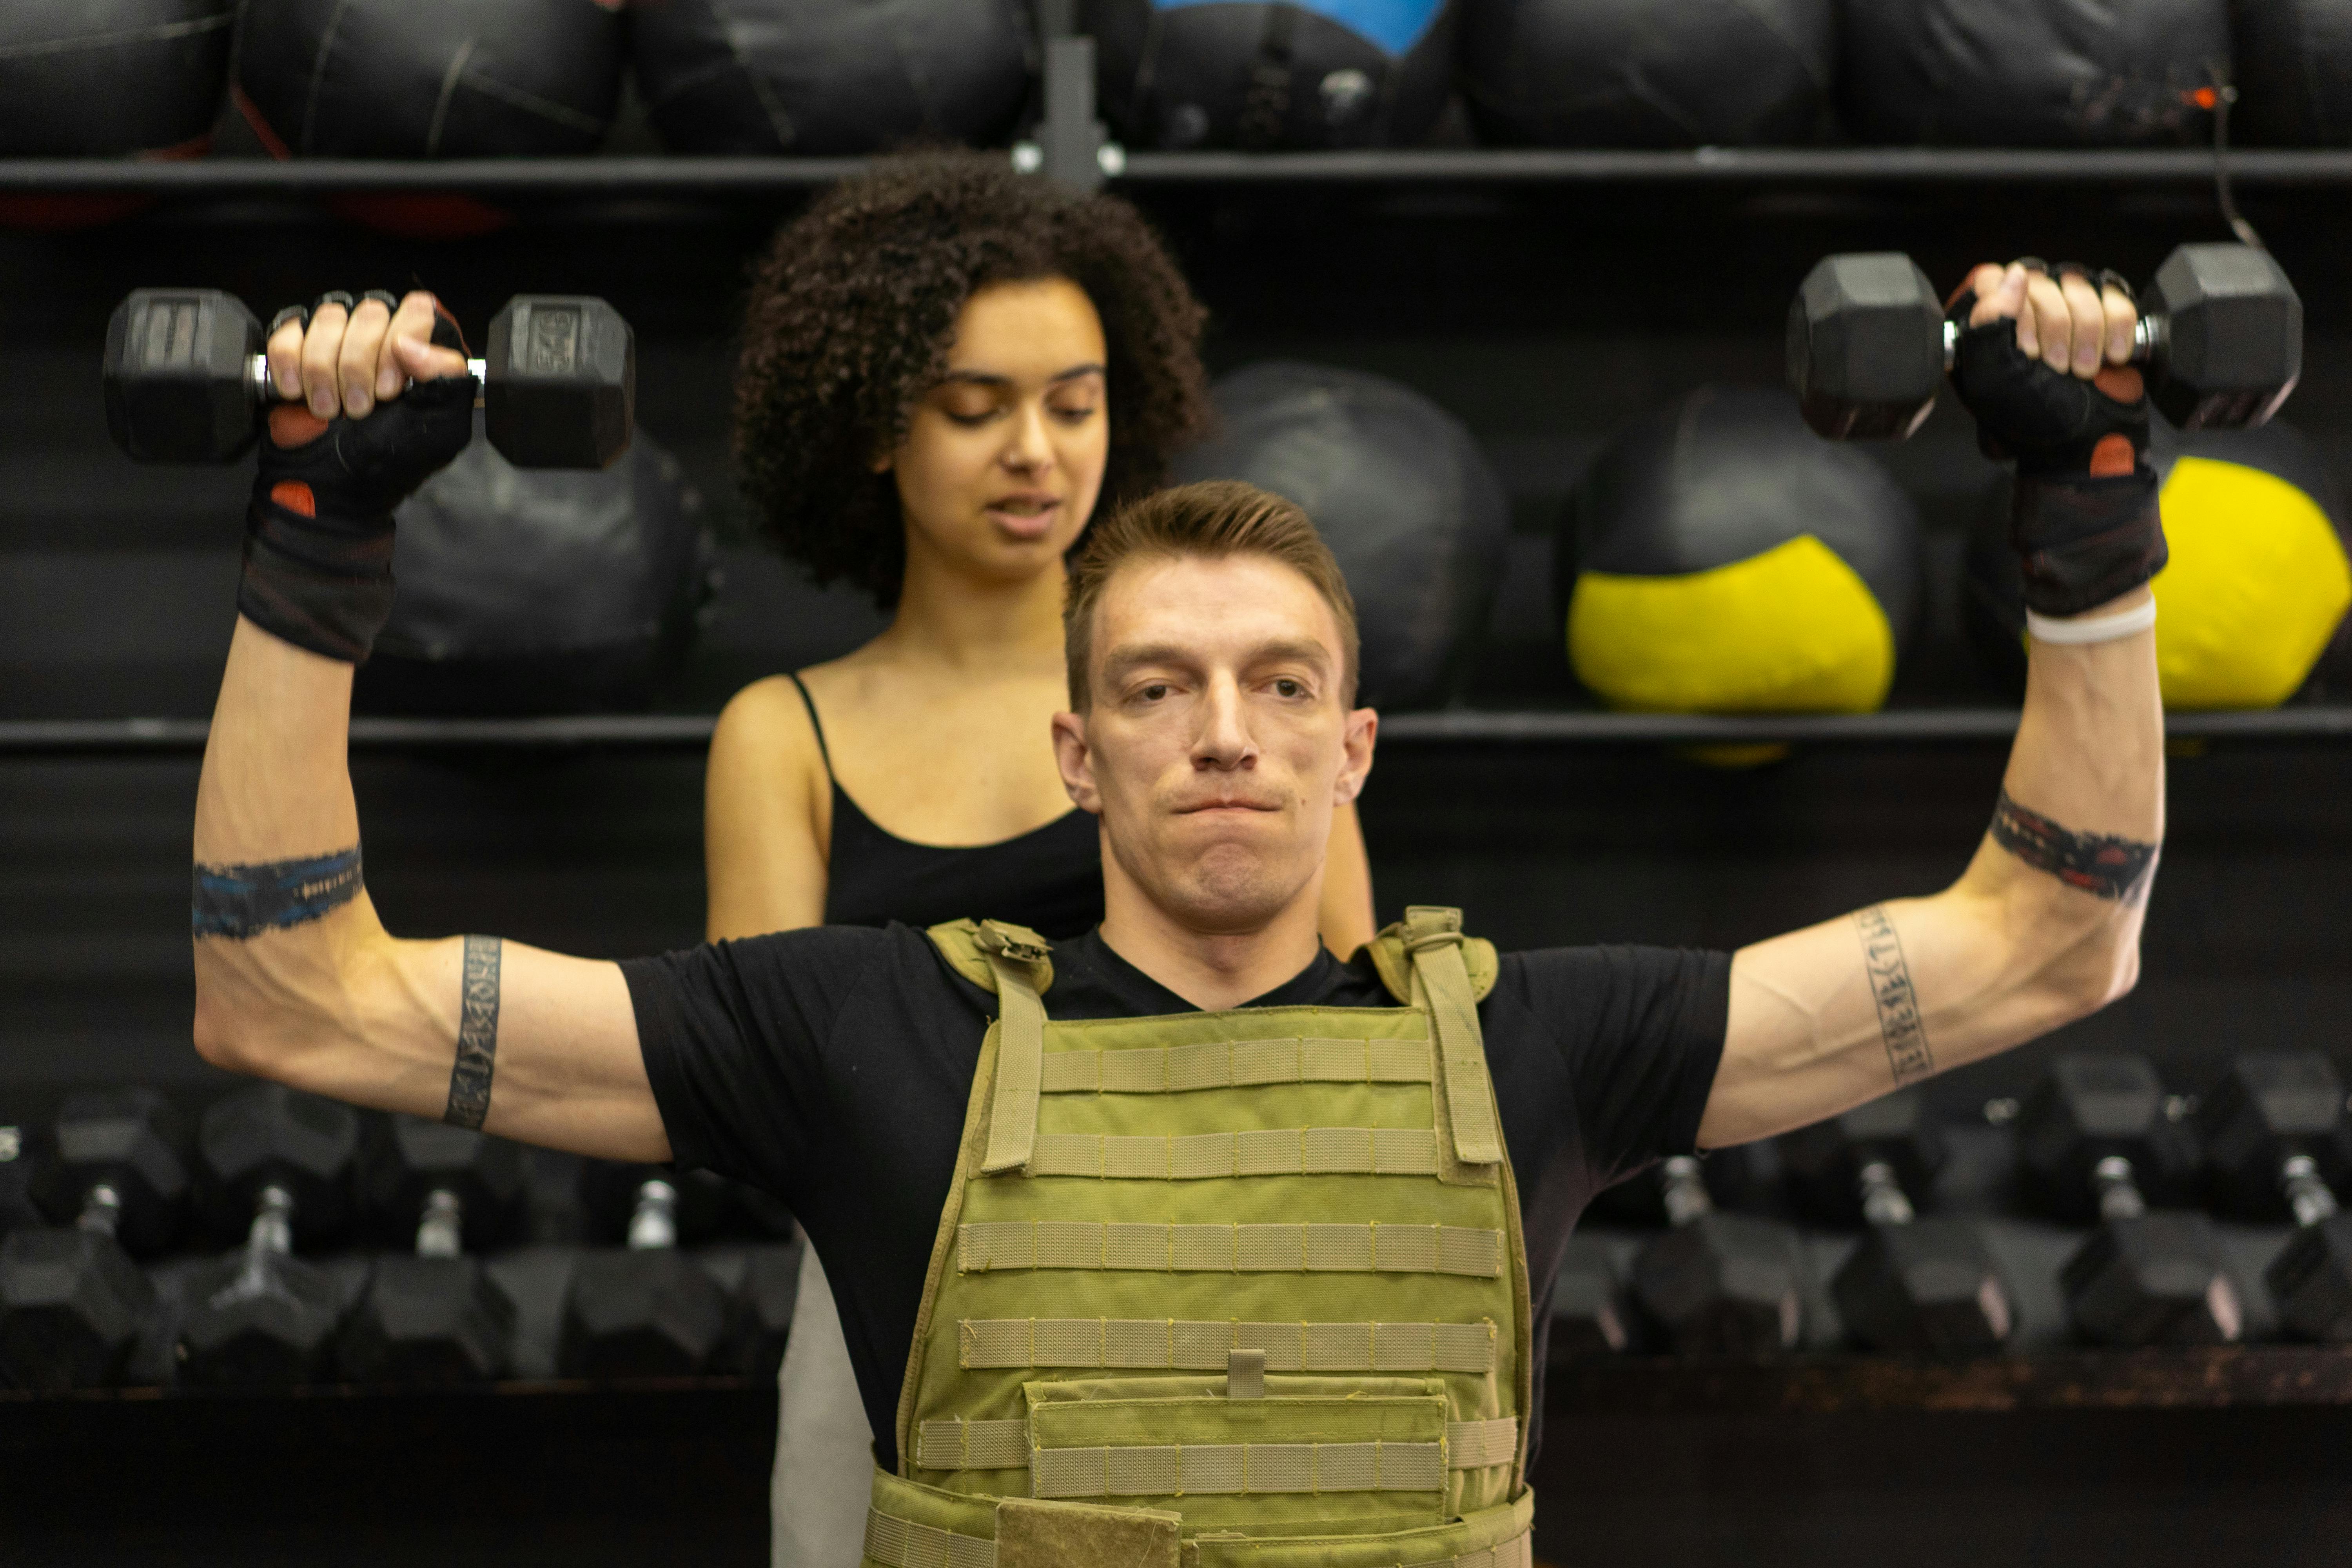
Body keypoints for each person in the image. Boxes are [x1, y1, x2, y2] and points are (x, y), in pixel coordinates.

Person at [192, 257, 2162, 1566]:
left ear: (1356, 747)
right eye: (1158, 688)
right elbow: (297, 1001)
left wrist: (2089, 531)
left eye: (1282, 685)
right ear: (1079, 756)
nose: (1225, 735)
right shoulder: (869, 1035)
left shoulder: (1530, 1041)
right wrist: (319, 547)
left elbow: (2051, 938)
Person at [705, 155, 1377, 1563]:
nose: (1037, 451)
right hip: (903, 1312)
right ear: (879, 427)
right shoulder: (785, 737)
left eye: (1075, 404)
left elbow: (1346, 1020)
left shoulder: (1231, 708)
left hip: (1231, 1272)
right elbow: (762, 1087)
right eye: (975, 408)